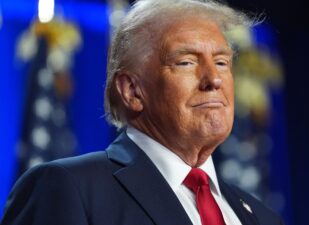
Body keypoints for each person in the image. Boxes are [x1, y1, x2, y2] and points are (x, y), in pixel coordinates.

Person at [1, 0, 284, 224]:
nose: (215, 79)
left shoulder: (261, 217)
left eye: (222, 62)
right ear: (132, 91)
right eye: (186, 62)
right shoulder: (69, 189)